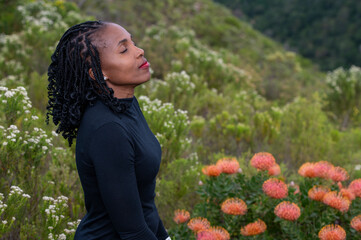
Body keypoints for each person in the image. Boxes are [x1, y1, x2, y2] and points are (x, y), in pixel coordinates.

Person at [46, 20, 171, 240]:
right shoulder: (108, 130)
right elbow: (132, 232)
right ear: (97, 73)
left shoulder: (126, 103)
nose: (139, 51)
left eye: (133, 43)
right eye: (124, 49)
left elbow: (144, 203)